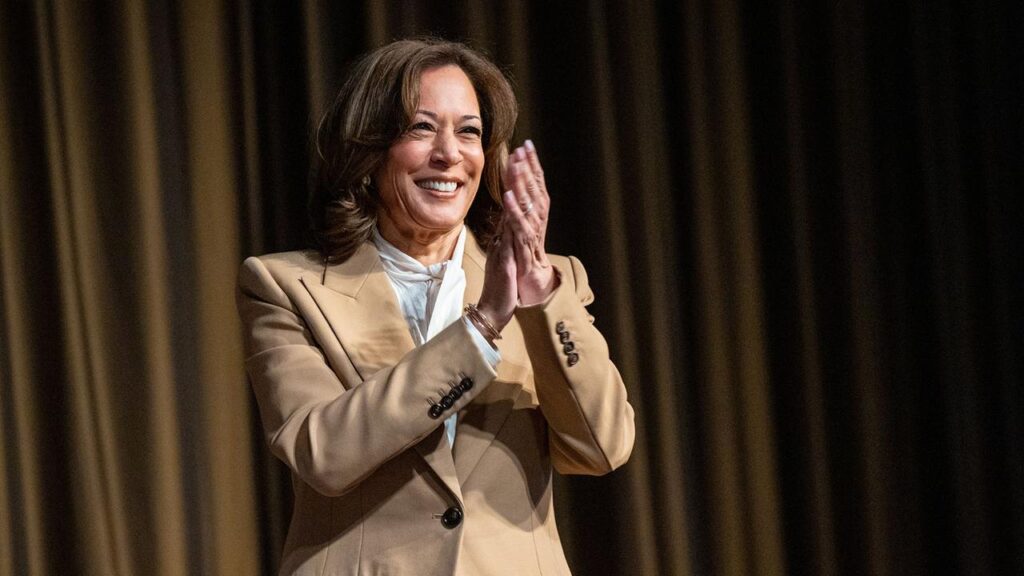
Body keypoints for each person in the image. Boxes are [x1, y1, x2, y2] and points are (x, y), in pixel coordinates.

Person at [237, 38, 635, 576]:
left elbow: (602, 448)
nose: (449, 154)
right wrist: (483, 324)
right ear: (369, 149)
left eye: (469, 132)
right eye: (421, 128)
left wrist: (540, 292)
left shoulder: (550, 285)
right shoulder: (286, 286)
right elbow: (323, 454)